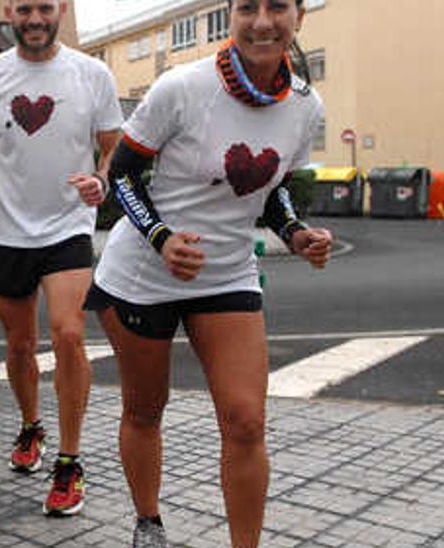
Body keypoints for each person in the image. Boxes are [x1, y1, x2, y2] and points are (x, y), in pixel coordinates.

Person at [87, 1, 332, 545]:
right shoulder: (183, 87)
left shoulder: (305, 106)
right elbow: (122, 174)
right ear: (231, 15)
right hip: (141, 275)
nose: (262, 21)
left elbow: (273, 191)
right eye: (247, 7)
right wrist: (161, 238)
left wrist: (297, 233)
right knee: (146, 408)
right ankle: (148, 524)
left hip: (227, 276)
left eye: (278, 7)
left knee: (246, 421)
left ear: (299, 16)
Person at [0, 0, 123, 517]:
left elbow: (113, 144)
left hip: (68, 226)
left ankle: (69, 460)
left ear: (62, 8)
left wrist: (102, 179)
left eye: (45, 7)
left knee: (69, 334)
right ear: (9, 11)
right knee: (20, 345)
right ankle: (30, 425)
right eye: (24, 8)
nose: (35, 18)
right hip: (5, 229)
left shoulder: (92, 74)